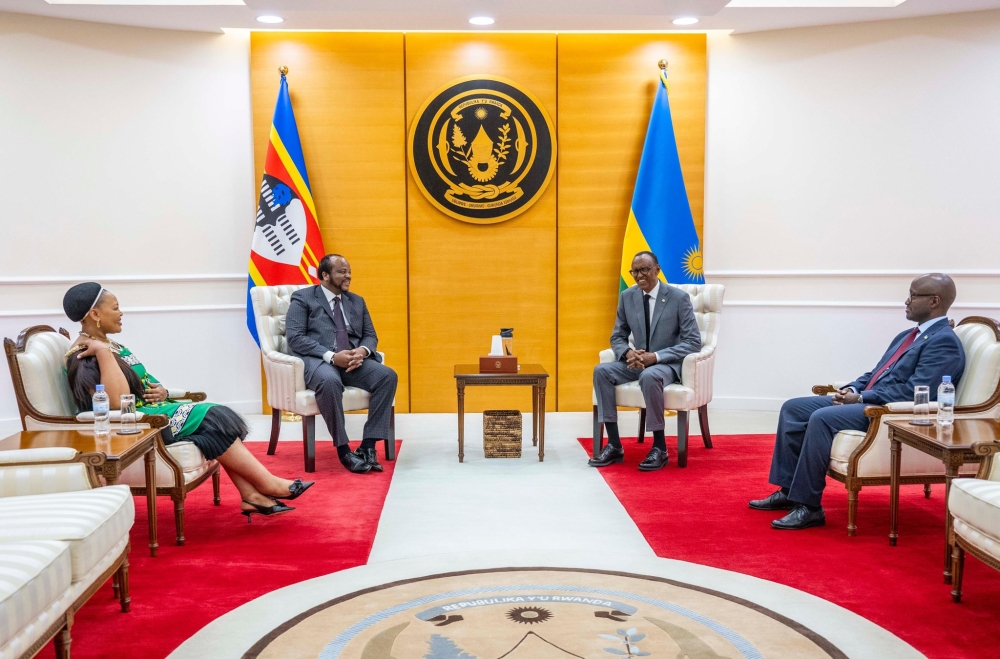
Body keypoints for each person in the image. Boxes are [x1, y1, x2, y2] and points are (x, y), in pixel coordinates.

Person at [62, 282, 313, 521]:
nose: (121, 313)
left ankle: (252, 496)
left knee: (212, 426)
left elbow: (143, 381)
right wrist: (103, 353)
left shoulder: (110, 344)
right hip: (136, 426)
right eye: (115, 308)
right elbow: (116, 402)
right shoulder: (85, 354)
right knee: (213, 415)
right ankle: (267, 485)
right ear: (95, 314)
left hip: (153, 410)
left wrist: (161, 391)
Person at [750, 273, 966, 530]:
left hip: (886, 411)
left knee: (821, 418)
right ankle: (788, 490)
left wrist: (863, 397)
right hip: (866, 399)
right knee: (793, 408)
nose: (906, 301)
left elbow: (915, 392)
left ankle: (809, 507)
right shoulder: (908, 335)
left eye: (913, 295)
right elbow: (876, 373)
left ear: (934, 301)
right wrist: (852, 388)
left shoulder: (944, 343)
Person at [285, 254, 398, 474]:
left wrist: (362, 352)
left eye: (349, 271)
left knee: (387, 376)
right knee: (329, 382)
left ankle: (368, 447)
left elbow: (370, 335)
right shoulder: (303, 298)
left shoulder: (356, 300)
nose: (348, 276)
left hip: (353, 362)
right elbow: (296, 338)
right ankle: (344, 450)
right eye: (342, 272)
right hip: (320, 361)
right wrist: (331, 356)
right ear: (325, 275)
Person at [590, 251, 702, 471]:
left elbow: (693, 342)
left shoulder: (678, 298)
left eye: (644, 270)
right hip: (637, 362)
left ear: (657, 270)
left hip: (666, 365)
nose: (639, 275)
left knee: (649, 375)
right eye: (635, 271)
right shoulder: (627, 296)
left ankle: (659, 448)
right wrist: (627, 353)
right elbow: (617, 336)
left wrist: (657, 357)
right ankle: (614, 445)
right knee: (601, 371)